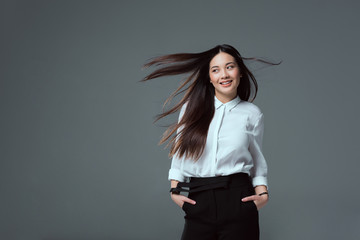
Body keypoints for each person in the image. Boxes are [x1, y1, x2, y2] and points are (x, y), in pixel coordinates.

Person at [141, 44, 280, 240]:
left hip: (238, 199)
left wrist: (263, 195)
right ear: (209, 77)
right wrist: (175, 189)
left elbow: (257, 157)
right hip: (200, 200)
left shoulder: (252, 113)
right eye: (215, 70)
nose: (223, 74)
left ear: (240, 72)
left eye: (230, 67)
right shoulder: (191, 109)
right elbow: (180, 152)